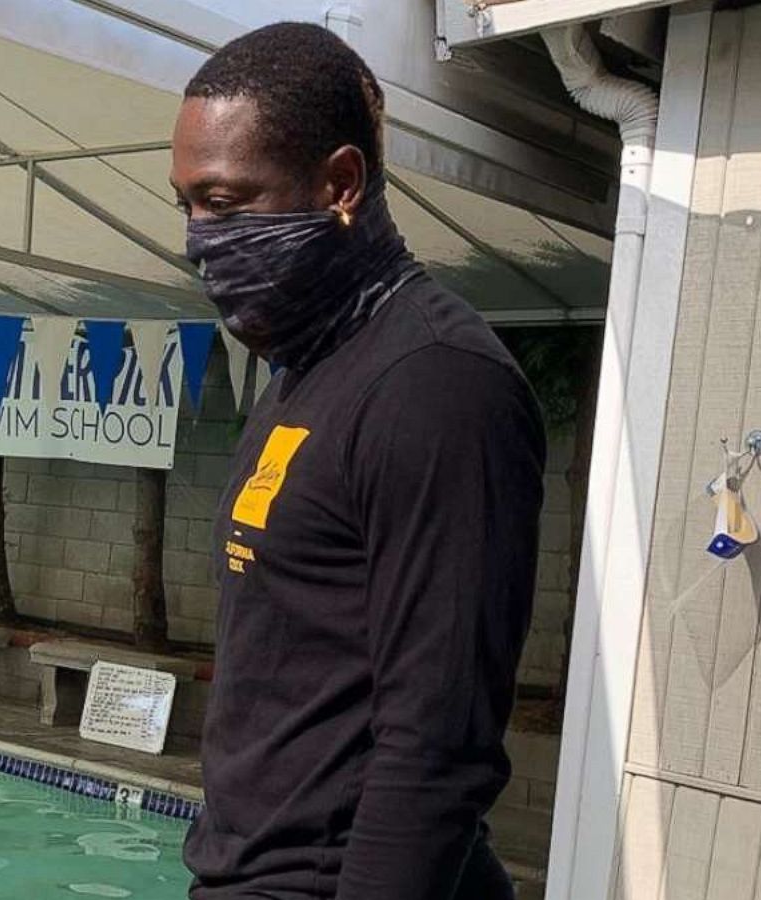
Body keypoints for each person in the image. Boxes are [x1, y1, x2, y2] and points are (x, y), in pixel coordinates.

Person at [171, 23, 546, 900]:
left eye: (225, 203)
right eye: (184, 203)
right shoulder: (306, 369)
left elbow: (439, 743)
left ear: (340, 183)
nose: (196, 238)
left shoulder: (439, 386)